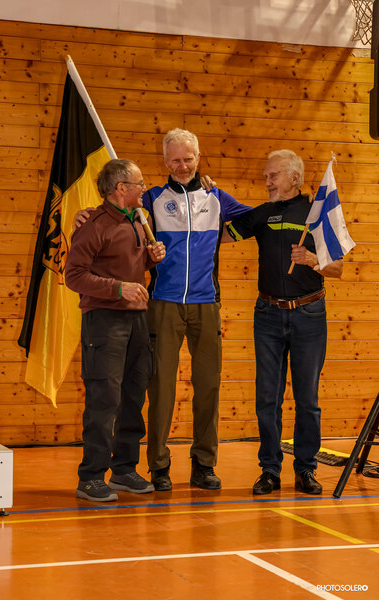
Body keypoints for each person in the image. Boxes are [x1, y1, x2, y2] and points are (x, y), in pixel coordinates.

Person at [224, 149, 343, 495]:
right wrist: (207, 198)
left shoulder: (316, 214)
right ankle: (270, 470)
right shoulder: (262, 213)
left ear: (294, 177)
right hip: (268, 316)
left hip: (309, 315)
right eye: (266, 176)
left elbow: (338, 268)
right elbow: (219, 235)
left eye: (272, 175)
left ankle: (306, 469)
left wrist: (312, 259)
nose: (267, 182)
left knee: (307, 400)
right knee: (267, 398)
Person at [142, 128, 252, 491]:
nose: (182, 165)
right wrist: (84, 214)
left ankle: (204, 464)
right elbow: (115, 213)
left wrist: (228, 235)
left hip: (206, 303)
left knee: (208, 386)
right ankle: (159, 465)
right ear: (165, 161)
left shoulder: (216, 196)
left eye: (188, 158)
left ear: (198, 158)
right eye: (175, 159)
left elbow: (257, 219)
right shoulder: (152, 198)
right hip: (163, 302)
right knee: (161, 388)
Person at [65, 158, 166, 502]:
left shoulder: (137, 220)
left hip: (137, 319)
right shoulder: (93, 225)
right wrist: (118, 288)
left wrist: (151, 258)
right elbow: (73, 275)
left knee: (133, 395)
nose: (144, 188)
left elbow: (129, 263)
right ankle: (91, 477)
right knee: (104, 398)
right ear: (122, 188)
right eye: (140, 183)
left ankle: (124, 469)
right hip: (104, 320)